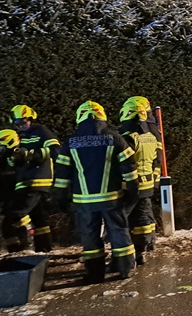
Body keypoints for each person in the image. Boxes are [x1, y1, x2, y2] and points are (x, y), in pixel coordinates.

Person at [53, 101, 139, 282]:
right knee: (119, 231)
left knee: (90, 237)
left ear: (80, 117)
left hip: (84, 202)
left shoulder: (70, 143)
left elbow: (62, 173)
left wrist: (61, 197)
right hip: (112, 199)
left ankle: (95, 273)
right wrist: (132, 190)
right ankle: (125, 269)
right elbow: (129, 165)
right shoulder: (115, 138)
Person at [9, 105, 61, 252]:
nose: (20, 126)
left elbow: (56, 150)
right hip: (23, 181)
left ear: (31, 119)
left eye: (23, 122)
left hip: (37, 180)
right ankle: (44, 249)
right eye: (17, 124)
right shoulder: (18, 136)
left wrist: (35, 155)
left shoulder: (41, 131)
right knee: (38, 217)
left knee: (17, 214)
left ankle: (24, 246)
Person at [118, 96, 163, 266]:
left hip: (129, 186)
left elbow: (124, 162)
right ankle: (143, 249)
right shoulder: (151, 135)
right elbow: (156, 160)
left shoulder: (129, 136)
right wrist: (155, 181)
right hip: (148, 184)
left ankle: (125, 257)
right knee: (144, 219)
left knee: (123, 220)